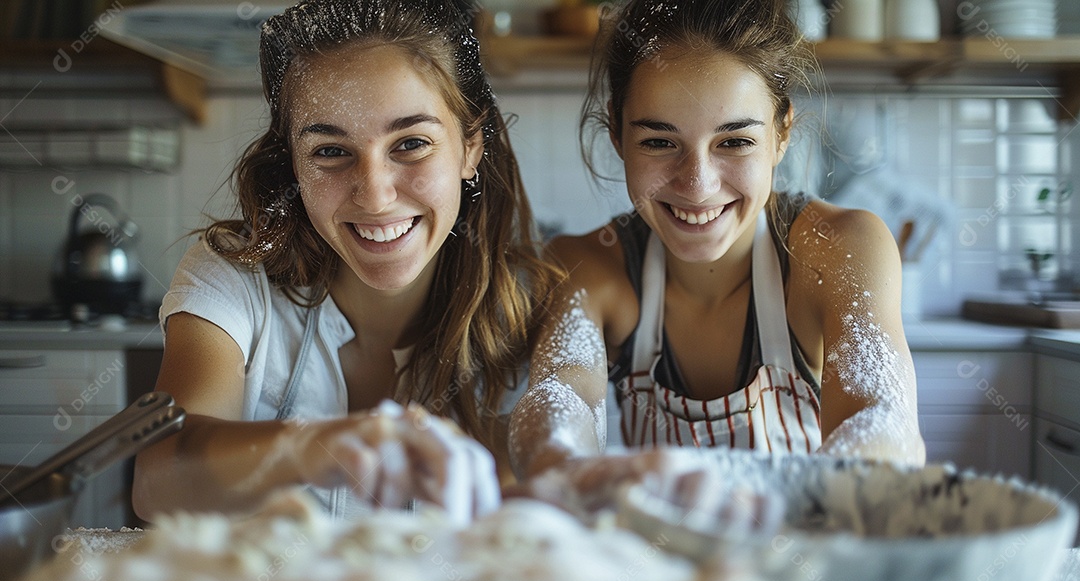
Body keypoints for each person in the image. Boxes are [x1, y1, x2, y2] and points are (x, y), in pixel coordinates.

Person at [132, 0, 608, 524]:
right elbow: (159, 480)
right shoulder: (232, 279)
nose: (376, 197)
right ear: (292, 160)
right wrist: (319, 444)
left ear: (471, 146)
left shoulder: (535, 304)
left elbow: (560, 471)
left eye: (410, 144)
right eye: (330, 152)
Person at [511, 0, 925, 481]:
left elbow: (880, 421)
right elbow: (561, 405)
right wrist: (560, 469)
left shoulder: (841, 247)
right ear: (618, 136)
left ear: (781, 132)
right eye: (659, 142)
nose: (698, 184)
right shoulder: (584, 266)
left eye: (734, 142)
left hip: (809, 542)